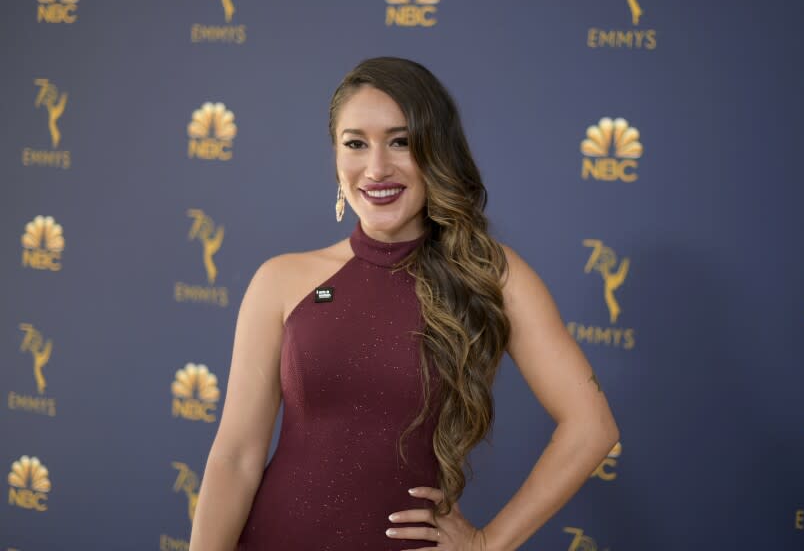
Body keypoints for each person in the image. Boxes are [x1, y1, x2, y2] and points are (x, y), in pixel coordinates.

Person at [188, 56, 619, 551]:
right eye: (355, 144)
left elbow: (592, 426)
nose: (376, 168)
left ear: (436, 151)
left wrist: (487, 544)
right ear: (335, 156)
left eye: (401, 142)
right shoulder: (280, 279)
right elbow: (236, 457)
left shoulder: (490, 274)